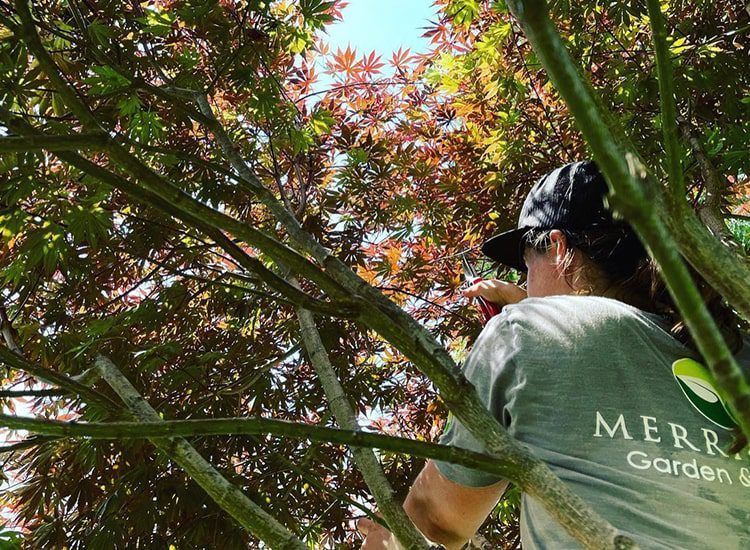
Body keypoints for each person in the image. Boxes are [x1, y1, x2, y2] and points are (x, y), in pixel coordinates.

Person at [359, 160, 750, 549]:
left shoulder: (525, 330)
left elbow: (438, 522)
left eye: (528, 267)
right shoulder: (733, 348)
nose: (524, 285)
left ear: (559, 246)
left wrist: (384, 537)